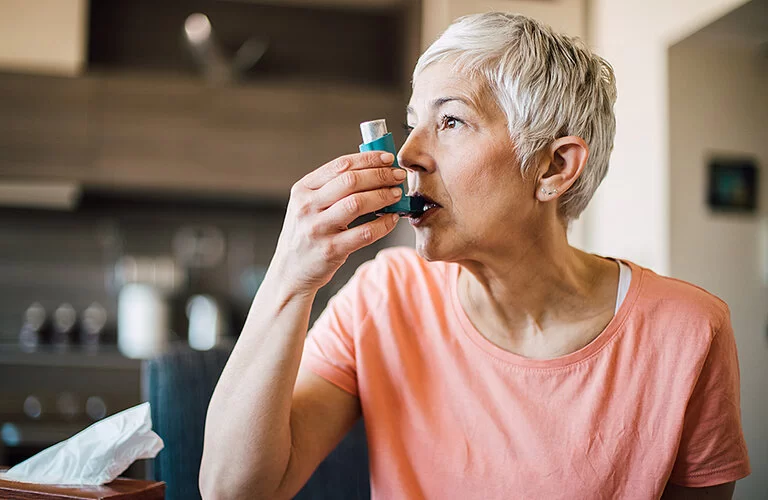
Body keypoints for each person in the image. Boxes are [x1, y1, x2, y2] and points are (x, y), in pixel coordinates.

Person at [199, 12, 750, 500]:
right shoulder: (383, 297)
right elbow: (234, 490)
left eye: (451, 121)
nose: (410, 154)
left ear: (554, 168)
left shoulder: (688, 330)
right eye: (414, 120)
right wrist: (289, 280)